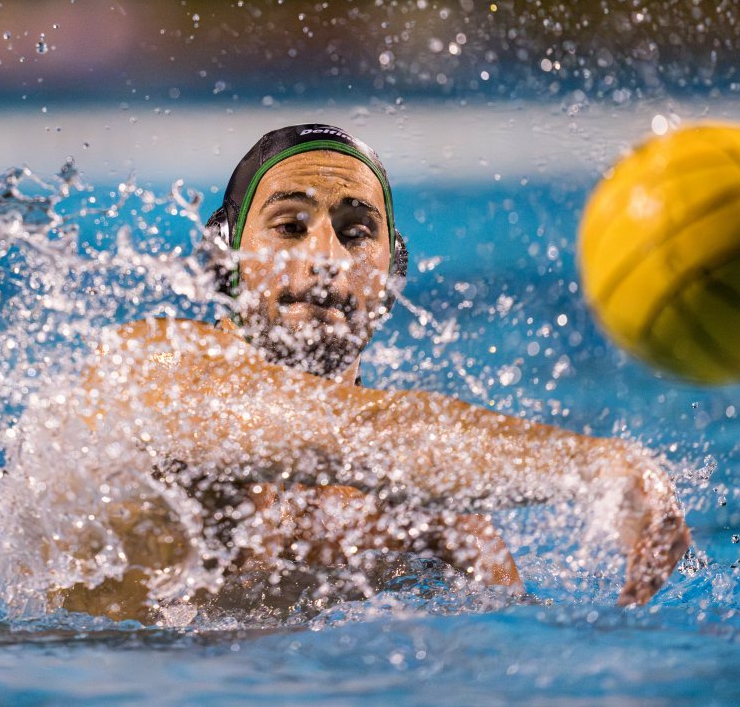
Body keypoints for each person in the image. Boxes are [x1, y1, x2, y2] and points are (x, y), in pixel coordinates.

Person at [58, 124, 691, 621]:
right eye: (289, 226)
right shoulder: (152, 368)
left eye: (356, 232)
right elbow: (360, 435)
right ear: (224, 262)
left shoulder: (429, 516)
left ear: (392, 277)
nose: (327, 258)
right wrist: (598, 470)